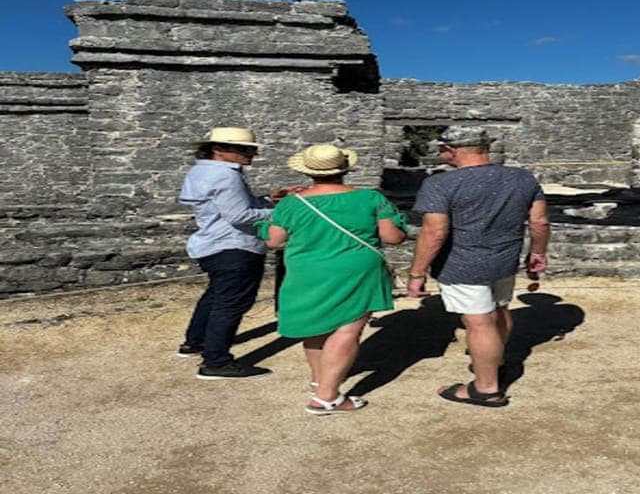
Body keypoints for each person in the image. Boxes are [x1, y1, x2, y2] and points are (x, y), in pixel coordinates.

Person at [258, 144, 407, 415]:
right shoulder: (370, 199)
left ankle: (319, 382)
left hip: (307, 270)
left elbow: (274, 242)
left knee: (314, 327)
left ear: (308, 171)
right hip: (356, 268)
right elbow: (392, 237)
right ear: (345, 169)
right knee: (348, 329)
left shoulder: (292, 202)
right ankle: (326, 397)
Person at [407, 126, 550, 407]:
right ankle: (495, 363)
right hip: (504, 259)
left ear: (452, 150)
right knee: (500, 310)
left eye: (442, 148)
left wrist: (417, 273)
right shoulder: (522, 178)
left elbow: (434, 232)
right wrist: (538, 253)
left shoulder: (440, 184)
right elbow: (540, 222)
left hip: (461, 264)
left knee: (478, 322)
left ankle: (486, 387)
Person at [178, 127, 301, 380]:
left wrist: (269, 199)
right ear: (219, 150)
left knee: (216, 296)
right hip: (235, 245)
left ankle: (195, 341)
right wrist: (284, 211)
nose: (251, 154)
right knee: (232, 303)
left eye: (251, 149)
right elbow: (239, 215)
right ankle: (216, 361)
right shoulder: (226, 176)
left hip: (214, 243)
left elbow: (230, 207)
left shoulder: (202, 170)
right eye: (244, 149)